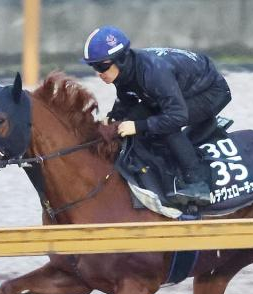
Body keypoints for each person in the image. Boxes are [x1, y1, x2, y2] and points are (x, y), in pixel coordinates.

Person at [82, 25, 232, 205]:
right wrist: (114, 117)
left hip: (211, 92)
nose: (99, 73)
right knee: (134, 118)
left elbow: (177, 116)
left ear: (120, 59)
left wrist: (139, 126)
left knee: (166, 125)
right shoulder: (125, 69)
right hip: (179, 88)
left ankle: (198, 184)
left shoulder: (154, 73)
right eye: (93, 67)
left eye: (101, 66)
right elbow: (126, 98)